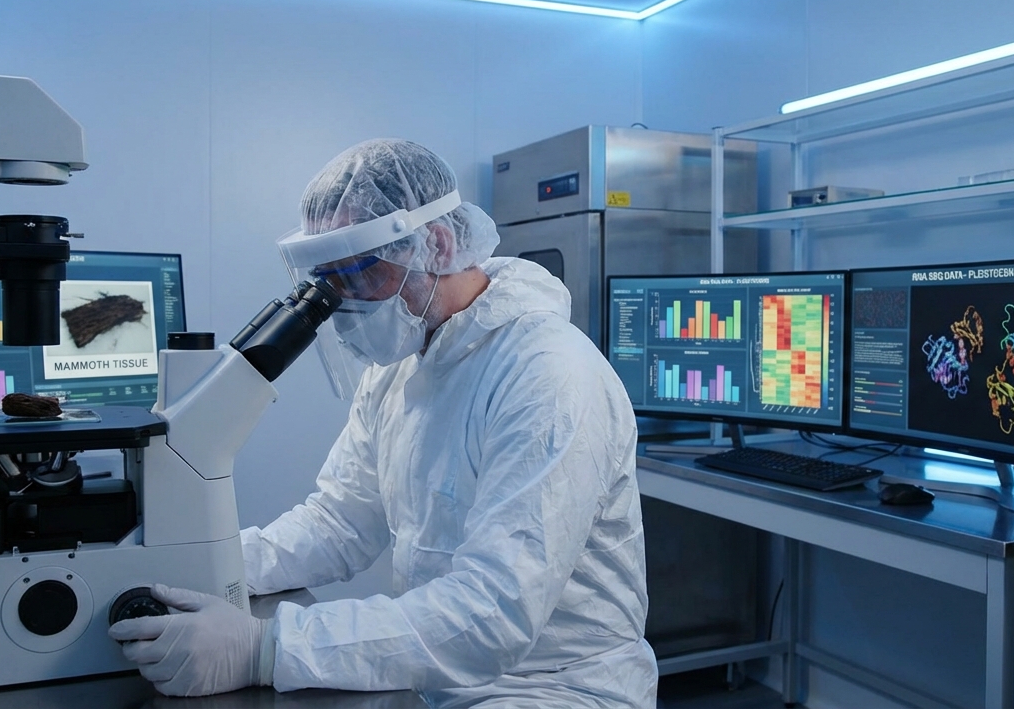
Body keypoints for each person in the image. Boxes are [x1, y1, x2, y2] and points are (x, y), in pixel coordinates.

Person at [109, 139, 657, 706]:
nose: (342, 305)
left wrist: (265, 648)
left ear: (436, 245)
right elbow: (339, 523)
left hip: (555, 688)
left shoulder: (547, 375)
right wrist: (209, 565)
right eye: (328, 282)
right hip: (439, 677)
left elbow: (495, 610)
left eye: (357, 276)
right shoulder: (403, 364)